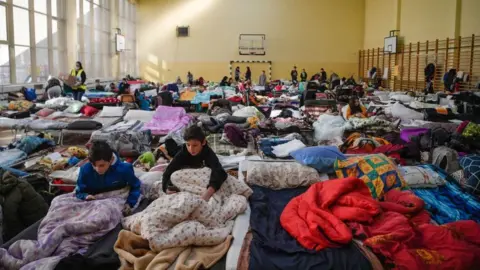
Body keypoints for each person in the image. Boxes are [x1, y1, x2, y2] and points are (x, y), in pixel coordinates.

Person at [162, 126, 227, 201]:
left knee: (218, 176)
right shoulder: (183, 152)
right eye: (188, 145)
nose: (191, 149)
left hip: (204, 183)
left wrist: (208, 192)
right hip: (189, 181)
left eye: (195, 145)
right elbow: (168, 171)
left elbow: (219, 171)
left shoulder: (208, 152)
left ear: (203, 142)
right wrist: (165, 188)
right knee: (174, 176)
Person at [75, 141, 141, 216]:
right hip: (94, 202)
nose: (97, 169)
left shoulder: (124, 170)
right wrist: (86, 196)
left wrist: (130, 203)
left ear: (111, 160)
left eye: (102, 165)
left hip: (115, 202)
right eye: (93, 165)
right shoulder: (85, 170)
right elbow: (79, 191)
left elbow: (136, 186)